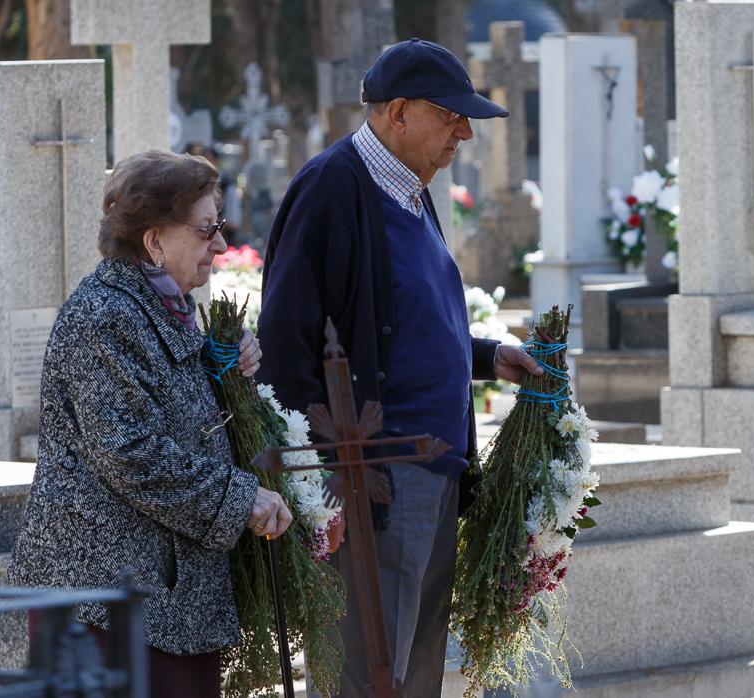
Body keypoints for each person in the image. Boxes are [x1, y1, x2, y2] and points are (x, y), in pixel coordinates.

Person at [257, 39, 541, 697]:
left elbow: (401, 325)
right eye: (452, 117)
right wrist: (329, 482)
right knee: (372, 674)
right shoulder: (334, 187)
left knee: (411, 676)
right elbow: (287, 344)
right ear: (401, 113)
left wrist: (488, 356)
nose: (464, 133)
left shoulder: (410, 189)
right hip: (378, 483)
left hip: (427, 472)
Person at [8, 150, 291, 698]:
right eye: (206, 229)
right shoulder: (105, 315)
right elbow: (131, 452)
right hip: (103, 603)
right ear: (154, 241)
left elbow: (174, 415)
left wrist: (225, 372)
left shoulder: (161, 307)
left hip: (156, 600)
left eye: (221, 227)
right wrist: (241, 499)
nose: (220, 245)